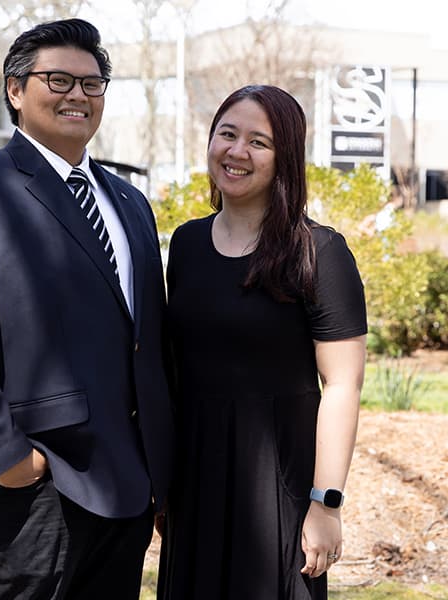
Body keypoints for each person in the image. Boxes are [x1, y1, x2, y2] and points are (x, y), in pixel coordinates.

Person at [0, 18, 174, 600]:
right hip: (33, 496)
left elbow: (144, 343)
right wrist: (8, 460)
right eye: (58, 79)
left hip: (126, 488)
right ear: (15, 90)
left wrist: (160, 474)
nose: (78, 94)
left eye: (92, 83)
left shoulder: (130, 203)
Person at [157, 85, 367, 600]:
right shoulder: (185, 244)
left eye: (259, 142)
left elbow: (342, 384)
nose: (236, 152)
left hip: (280, 487)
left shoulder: (319, 252)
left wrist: (326, 503)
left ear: (286, 160)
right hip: (195, 483)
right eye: (227, 134)